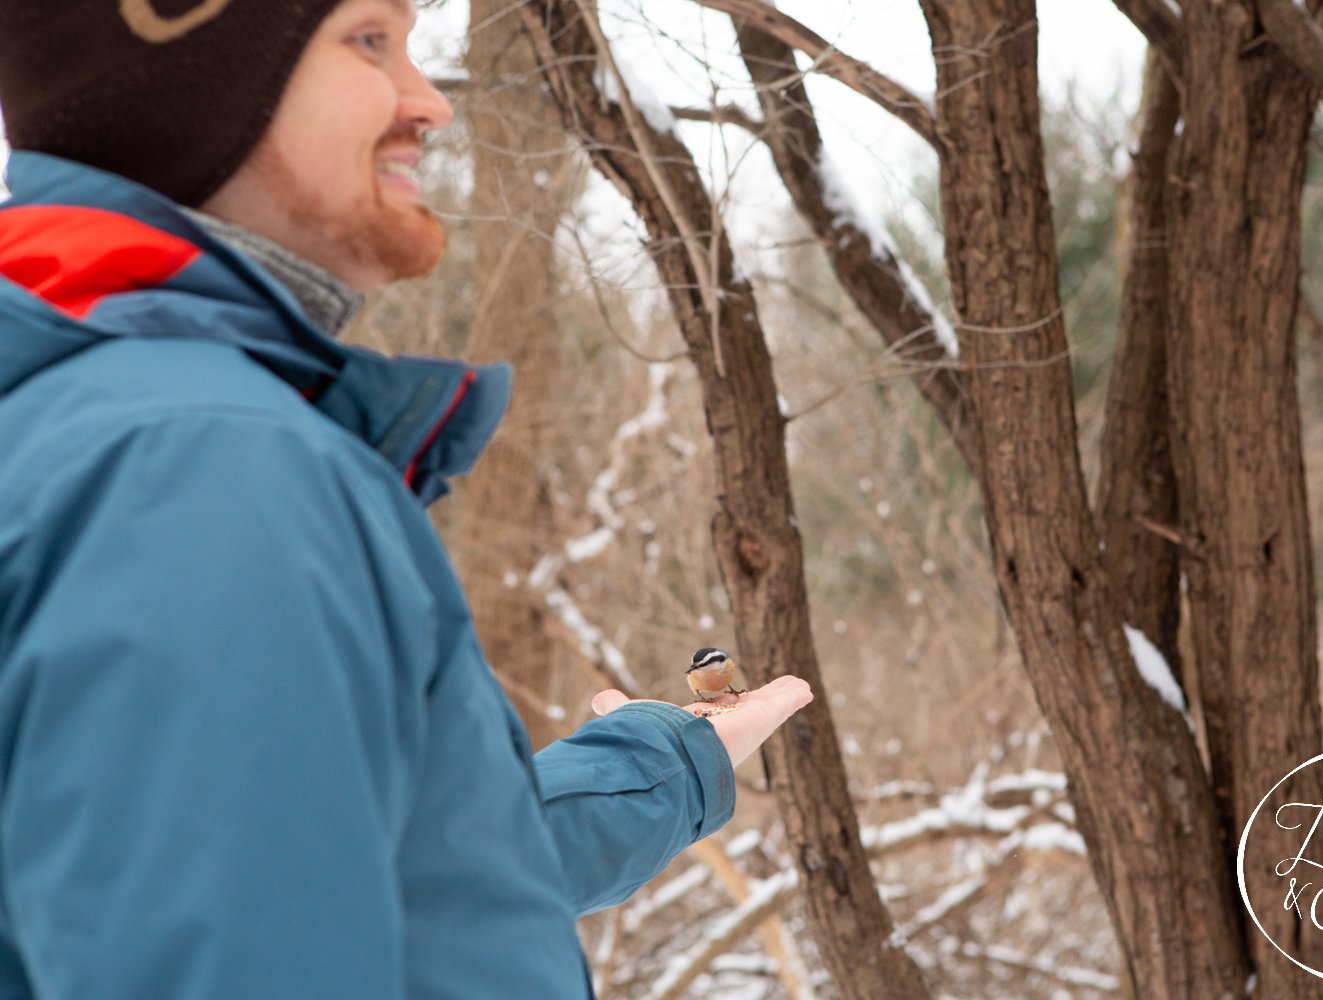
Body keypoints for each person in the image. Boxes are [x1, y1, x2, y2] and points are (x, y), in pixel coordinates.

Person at [0, 0, 814, 996]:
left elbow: (359, 884)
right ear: (191, 77)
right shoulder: (204, 467)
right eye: (370, 41)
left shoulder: (94, 425)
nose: (428, 103)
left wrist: (658, 766)